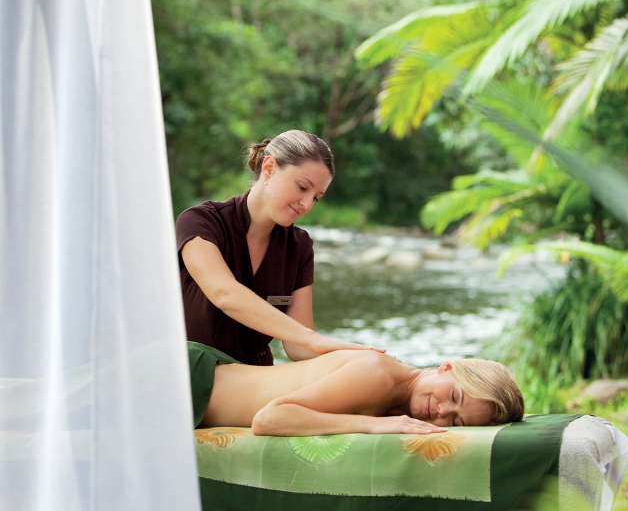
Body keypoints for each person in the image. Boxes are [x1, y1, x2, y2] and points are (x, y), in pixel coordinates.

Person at [177, 130, 381, 366]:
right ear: (269, 167)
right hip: (189, 377)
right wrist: (311, 338)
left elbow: (298, 348)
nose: (307, 204)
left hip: (258, 383)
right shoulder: (200, 222)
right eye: (303, 187)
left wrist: (357, 355)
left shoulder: (299, 247)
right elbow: (225, 294)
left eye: (316, 197)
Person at [188, 342, 525, 436]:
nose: (441, 412)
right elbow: (268, 419)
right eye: (454, 397)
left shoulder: (397, 399)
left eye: (456, 422)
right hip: (191, 381)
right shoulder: (377, 374)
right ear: (446, 367)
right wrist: (375, 425)